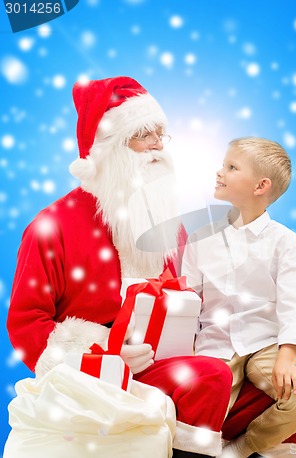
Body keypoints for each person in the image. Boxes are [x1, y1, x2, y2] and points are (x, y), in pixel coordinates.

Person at [6, 76, 232, 458]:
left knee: (279, 399)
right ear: (107, 150)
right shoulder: (52, 226)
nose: (158, 145)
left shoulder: (168, 227)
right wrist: (102, 353)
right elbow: (27, 323)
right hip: (93, 375)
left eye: (161, 133)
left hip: (165, 363)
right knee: (210, 378)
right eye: (143, 134)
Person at [181, 137, 296, 458]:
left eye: (231, 168)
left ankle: (240, 450)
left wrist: (288, 354)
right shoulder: (202, 238)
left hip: (266, 343)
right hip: (214, 345)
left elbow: (294, 302)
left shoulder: (285, 242)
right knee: (200, 411)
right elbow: (188, 301)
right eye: (223, 165)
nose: (220, 172)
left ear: (261, 186)